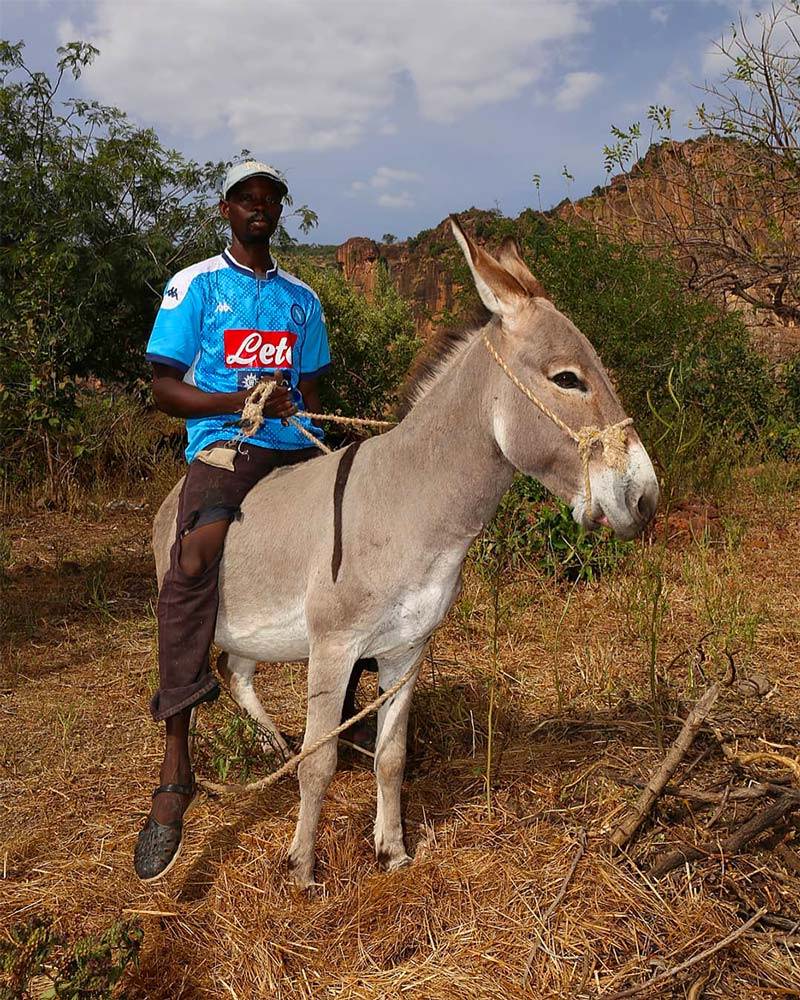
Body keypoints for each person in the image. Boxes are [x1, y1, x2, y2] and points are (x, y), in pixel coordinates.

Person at [134, 160, 372, 883]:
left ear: (279, 212)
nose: (258, 208)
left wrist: (291, 408)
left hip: (294, 447)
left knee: (361, 546)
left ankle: (347, 714)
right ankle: (176, 765)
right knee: (195, 555)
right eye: (246, 199)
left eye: (269, 200)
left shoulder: (302, 299)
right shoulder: (197, 283)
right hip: (226, 447)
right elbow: (165, 389)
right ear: (226, 209)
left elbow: (313, 381)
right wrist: (237, 402)